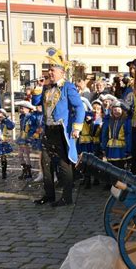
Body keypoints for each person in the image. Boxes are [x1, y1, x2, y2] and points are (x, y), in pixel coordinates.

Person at [33, 48, 85, 207]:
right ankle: (49, 195)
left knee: (64, 163)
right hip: (49, 129)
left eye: (53, 70)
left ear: (62, 72)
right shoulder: (47, 87)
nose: (50, 73)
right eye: (49, 70)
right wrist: (38, 87)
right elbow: (36, 103)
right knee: (46, 163)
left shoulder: (68, 87)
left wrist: (76, 128)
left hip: (61, 130)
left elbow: (80, 108)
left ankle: (67, 197)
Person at [101, 100, 132, 184]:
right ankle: (111, 182)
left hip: (121, 148)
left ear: (122, 110)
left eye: (118, 110)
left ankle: (120, 183)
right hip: (111, 147)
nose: (116, 112)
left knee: (120, 166)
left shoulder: (126, 121)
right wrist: (103, 147)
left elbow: (129, 135)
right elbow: (104, 135)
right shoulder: (108, 121)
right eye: (114, 110)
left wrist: (128, 149)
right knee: (111, 166)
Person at [16, 100, 37, 180]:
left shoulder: (30, 117)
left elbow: (32, 127)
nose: (21, 109)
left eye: (23, 108)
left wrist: (31, 136)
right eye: (20, 108)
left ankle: (28, 172)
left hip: (27, 138)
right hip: (21, 137)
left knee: (26, 155)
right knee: (20, 155)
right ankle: (24, 170)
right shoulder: (21, 116)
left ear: (28, 109)